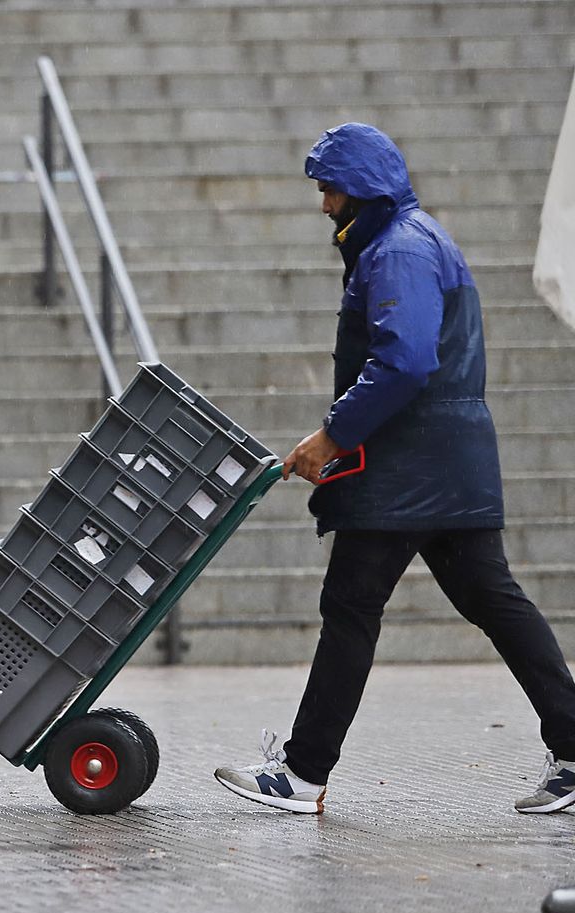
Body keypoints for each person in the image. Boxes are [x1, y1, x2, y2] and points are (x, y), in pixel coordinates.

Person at [214, 122, 575, 814]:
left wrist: (332, 435)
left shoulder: (398, 250)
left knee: (351, 609)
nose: (323, 205)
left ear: (359, 190)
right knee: (493, 600)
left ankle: (304, 772)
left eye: (328, 190)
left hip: (407, 469)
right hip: (447, 461)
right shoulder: (415, 238)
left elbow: (405, 361)